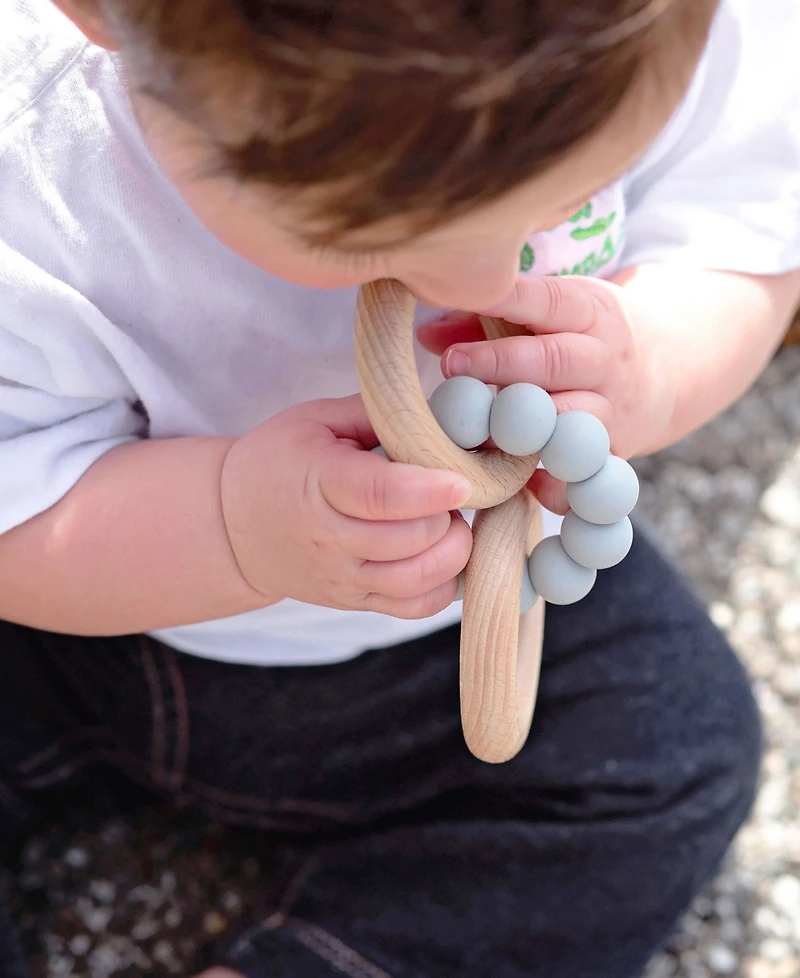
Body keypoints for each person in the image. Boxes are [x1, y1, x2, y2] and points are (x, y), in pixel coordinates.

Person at [0, 0, 799, 975]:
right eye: (361, 236)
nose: (476, 278)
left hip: (435, 654)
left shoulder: (663, 34)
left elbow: (740, 230)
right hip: (78, 645)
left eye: (572, 194)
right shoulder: (31, 163)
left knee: (672, 759)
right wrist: (228, 523)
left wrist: (655, 360)